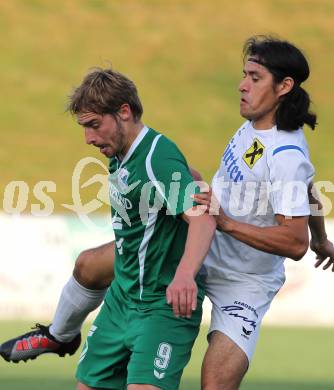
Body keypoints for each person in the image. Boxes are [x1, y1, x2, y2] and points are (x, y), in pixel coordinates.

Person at [1, 35, 334, 389]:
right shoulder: (256, 127)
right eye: (244, 74)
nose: (242, 85)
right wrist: (323, 238)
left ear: (284, 86)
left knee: (216, 385)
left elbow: (294, 242)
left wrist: (229, 223)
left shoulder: (286, 155)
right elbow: (305, 188)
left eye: (255, 78)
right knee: (88, 264)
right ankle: (59, 335)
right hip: (202, 246)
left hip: (243, 283)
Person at [2, 67, 217, 390]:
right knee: (87, 265)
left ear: (124, 112)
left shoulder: (154, 158)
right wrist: (192, 181)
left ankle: (58, 335)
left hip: (162, 307)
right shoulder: (120, 152)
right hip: (121, 301)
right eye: (84, 127)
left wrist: (185, 274)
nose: (88, 138)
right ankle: (57, 335)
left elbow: (201, 219)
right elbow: (181, 176)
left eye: (94, 125)